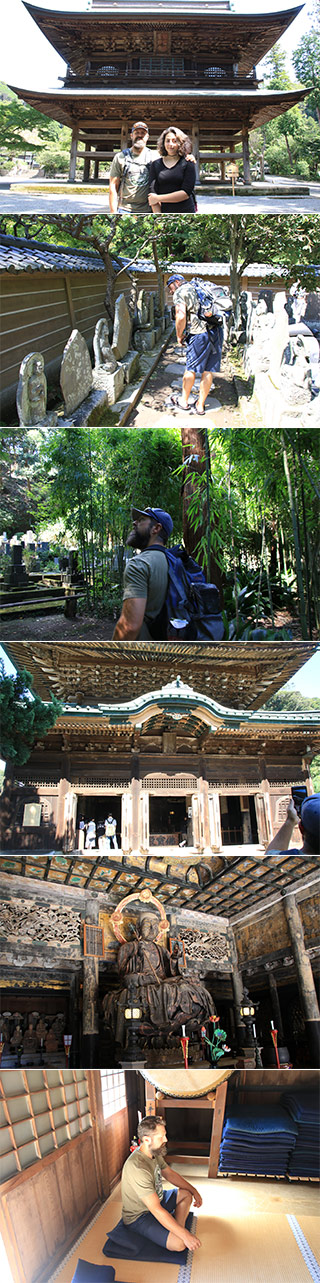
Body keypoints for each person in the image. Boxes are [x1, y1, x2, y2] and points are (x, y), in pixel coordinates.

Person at [121, 1114, 202, 1254]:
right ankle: (178, 1231)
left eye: (165, 1135)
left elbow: (169, 1173)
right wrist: (185, 1235)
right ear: (147, 1139)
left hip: (157, 1198)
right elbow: (156, 1209)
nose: (166, 1139)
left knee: (186, 1194)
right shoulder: (138, 1167)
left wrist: (194, 1190)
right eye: (161, 1137)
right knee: (180, 1244)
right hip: (140, 1216)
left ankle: (177, 1227)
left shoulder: (154, 1151)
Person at [112, 506, 172, 640]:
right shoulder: (176, 561)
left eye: (141, 519)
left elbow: (129, 627)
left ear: (156, 528)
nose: (134, 523)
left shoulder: (139, 565)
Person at [167, 273, 223, 414]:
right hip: (216, 330)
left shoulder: (181, 291)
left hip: (199, 333)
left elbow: (180, 316)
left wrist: (179, 336)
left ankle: (184, 401)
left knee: (191, 368)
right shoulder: (198, 286)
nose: (170, 291)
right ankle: (200, 405)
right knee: (208, 370)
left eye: (170, 286)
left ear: (177, 282)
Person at [148, 128, 196, 214]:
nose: (170, 144)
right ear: (163, 143)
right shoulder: (155, 164)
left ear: (180, 143)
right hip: (164, 211)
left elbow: (185, 193)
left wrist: (158, 198)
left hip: (186, 211)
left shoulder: (188, 163)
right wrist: (159, 217)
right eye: (167, 141)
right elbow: (152, 194)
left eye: (174, 141)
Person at [108, 121, 152, 214]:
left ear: (147, 137)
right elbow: (113, 185)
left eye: (143, 133)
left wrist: (189, 158)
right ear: (131, 135)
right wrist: (113, 212)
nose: (140, 135)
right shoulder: (120, 157)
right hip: (124, 208)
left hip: (148, 209)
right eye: (137, 133)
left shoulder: (154, 156)